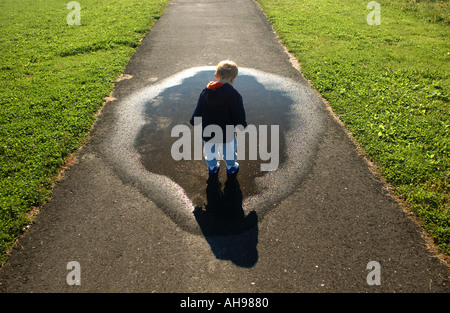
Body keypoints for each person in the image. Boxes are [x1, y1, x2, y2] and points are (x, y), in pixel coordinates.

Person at [190, 60, 247, 175]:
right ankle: (231, 167)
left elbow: (199, 108)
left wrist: (194, 119)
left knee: (210, 150)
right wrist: (241, 124)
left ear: (216, 76)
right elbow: (238, 112)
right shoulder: (234, 95)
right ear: (233, 79)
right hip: (227, 131)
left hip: (209, 130)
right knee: (229, 150)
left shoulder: (205, 93)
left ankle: (212, 167)